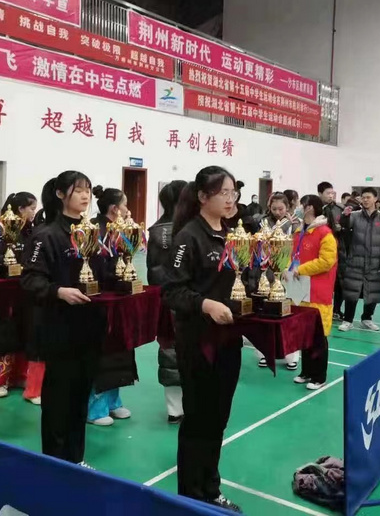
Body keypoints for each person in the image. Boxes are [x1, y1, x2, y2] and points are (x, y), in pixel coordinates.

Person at [161, 166, 242, 513]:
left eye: (233, 192)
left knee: (218, 418)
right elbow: (172, 291)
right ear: (203, 197)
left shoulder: (233, 234)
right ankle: (191, 496)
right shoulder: (188, 237)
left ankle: (211, 488)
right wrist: (206, 304)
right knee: (198, 419)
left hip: (229, 339)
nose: (231, 199)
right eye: (224, 193)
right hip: (197, 342)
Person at [21, 171, 106, 467]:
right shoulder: (45, 235)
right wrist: (58, 291)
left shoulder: (94, 232)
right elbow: (30, 280)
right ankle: (54, 463)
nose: (85, 196)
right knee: (58, 400)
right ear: (60, 194)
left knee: (81, 398)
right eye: (78, 190)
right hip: (59, 328)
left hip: (90, 327)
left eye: (88, 190)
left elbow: (103, 275)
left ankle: (76, 459)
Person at [87, 186, 135, 426]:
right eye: (125, 204)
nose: (127, 209)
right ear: (115, 208)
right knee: (102, 353)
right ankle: (95, 408)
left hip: (118, 298)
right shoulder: (95, 230)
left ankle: (113, 401)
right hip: (101, 299)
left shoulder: (121, 229)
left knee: (119, 350)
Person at [0, 192, 38, 399]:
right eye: (31, 208)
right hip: (5, 289)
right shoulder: (0, 227)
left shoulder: (31, 229)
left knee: (24, 331)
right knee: (5, 335)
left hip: (25, 288)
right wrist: (9, 265)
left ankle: (18, 376)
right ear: (20, 209)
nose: (34, 212)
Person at [148, 180, 188, 424]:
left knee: (169, 350)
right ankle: (188, 405)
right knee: (188, 350)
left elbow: (153, 269)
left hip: (164, 298)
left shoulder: (156, 229)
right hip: (187, 300)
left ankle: (174, 409)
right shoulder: (190, 230)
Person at [290, 195, 336, 390]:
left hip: (318, 292)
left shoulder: (325, 233)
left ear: (309, 208)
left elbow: (326, 262)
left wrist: (300, 270)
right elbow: (292, 256)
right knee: (304, 334)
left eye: (301, 205)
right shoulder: (299, 232)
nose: (298, 208)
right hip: (300, 291)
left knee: (318, 336)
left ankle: (319, 376)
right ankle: (306, 371)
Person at [254, 192, 299, 370]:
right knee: (266, 316)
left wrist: (292, 268)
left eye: (281, 209)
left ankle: (291, 355)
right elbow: (262, 245)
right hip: (268, 274)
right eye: (274, 209)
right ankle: (265, 353)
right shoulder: (263, 223)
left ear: (287, 207)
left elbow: (298, 248)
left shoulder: (296, 223)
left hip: (289, 274)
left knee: (289, 316)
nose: (278, 212)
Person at [337, 187, 380, 332]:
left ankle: (367, 318)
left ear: (375, 199)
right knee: (351, 293)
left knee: (372, 292)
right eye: (363, 197)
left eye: (368, 197)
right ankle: (348, 320)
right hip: (355, 261)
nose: (365, 200)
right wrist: (344, 216)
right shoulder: (354, 216)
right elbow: (343, 227)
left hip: (375, 262)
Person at [319, 182, 345, 318]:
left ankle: (337, 309)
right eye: (327, 193)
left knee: (340, 282)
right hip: (321, 248)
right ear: (320, 194)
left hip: (338, 249)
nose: (331, 196)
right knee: (323, 280)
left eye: (332, 193)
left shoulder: (340, 209)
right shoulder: (317, 208)